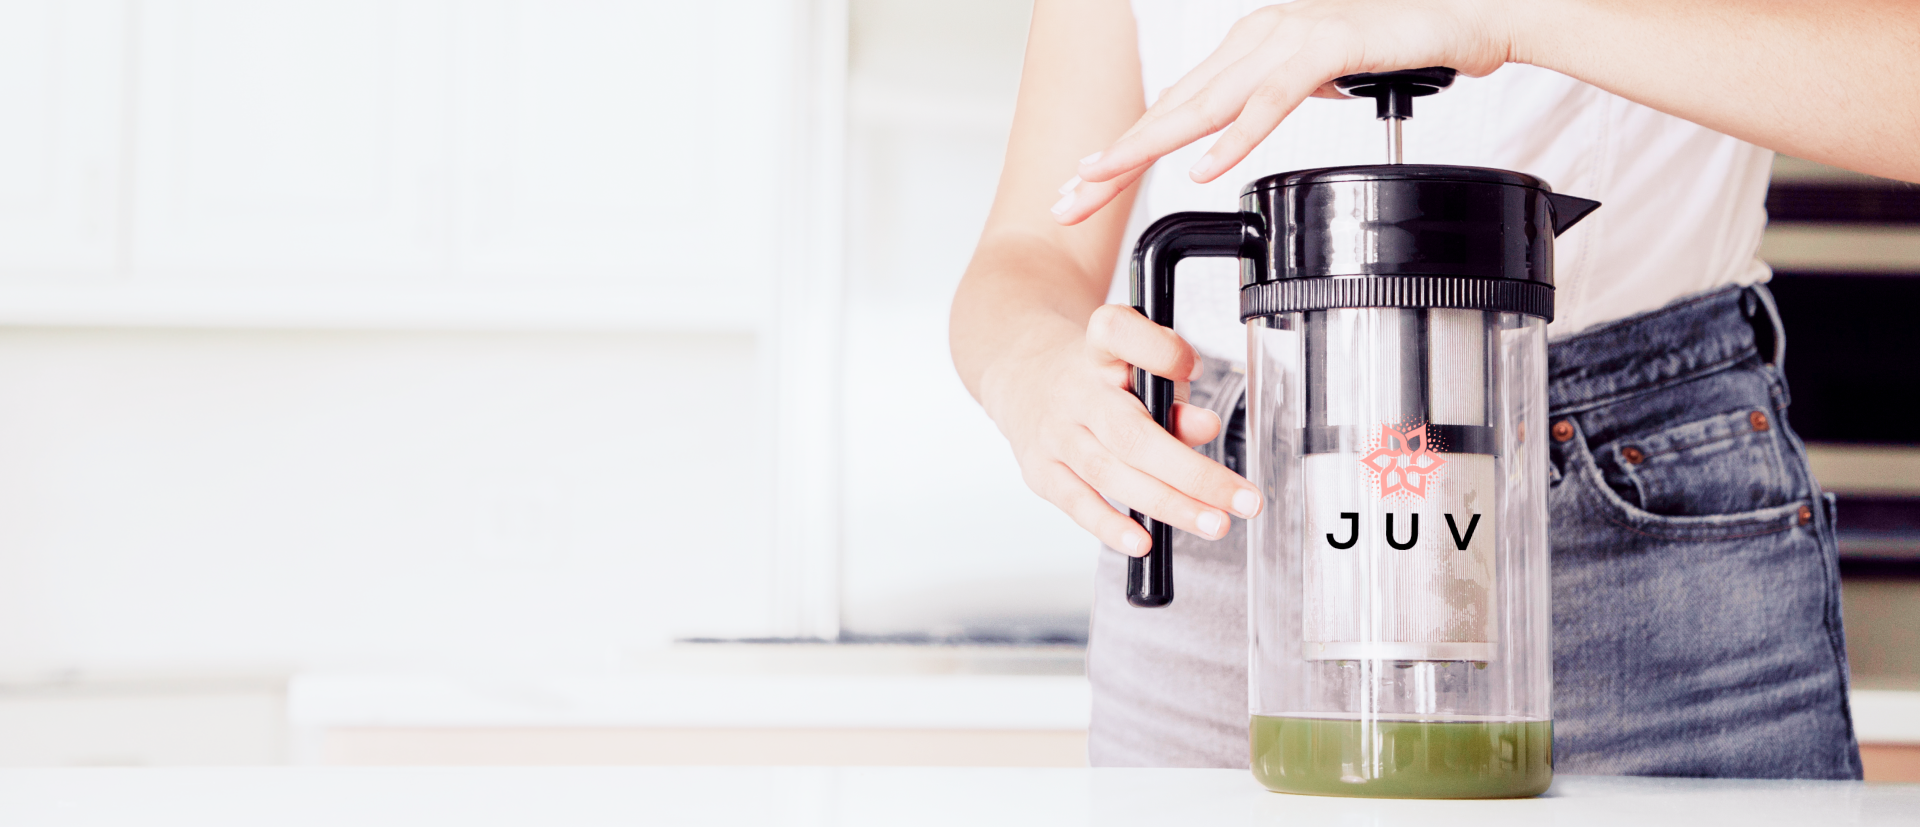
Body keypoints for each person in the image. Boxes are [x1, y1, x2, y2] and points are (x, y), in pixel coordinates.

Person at [949, 0, 1920, 777]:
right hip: (1222, 532)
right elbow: (1030, 249)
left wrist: (1511, 18)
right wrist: (1030, 367)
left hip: (1648, 541)